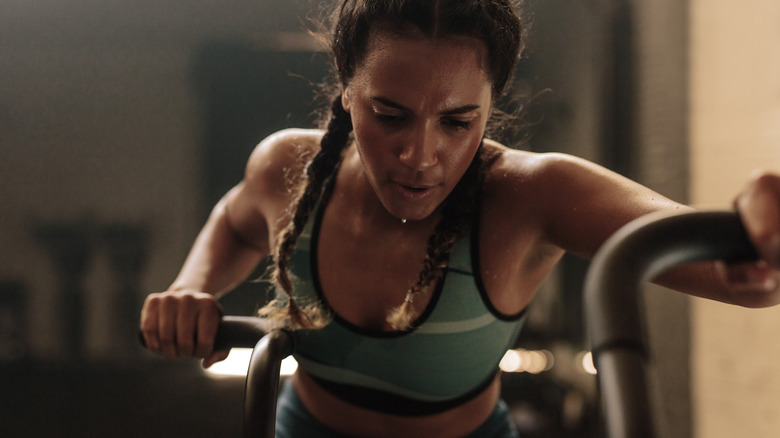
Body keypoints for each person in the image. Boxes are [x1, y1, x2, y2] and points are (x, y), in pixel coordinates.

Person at [139, 1, 780, 436]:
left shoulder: (532, 194)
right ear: (345, 88)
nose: (420, 156)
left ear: (491, 103)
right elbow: (234, 219)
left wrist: (760, 232)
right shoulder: (288, 167)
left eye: (457, 121)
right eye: (389, 115)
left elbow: (727, 268)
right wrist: (191, 287)